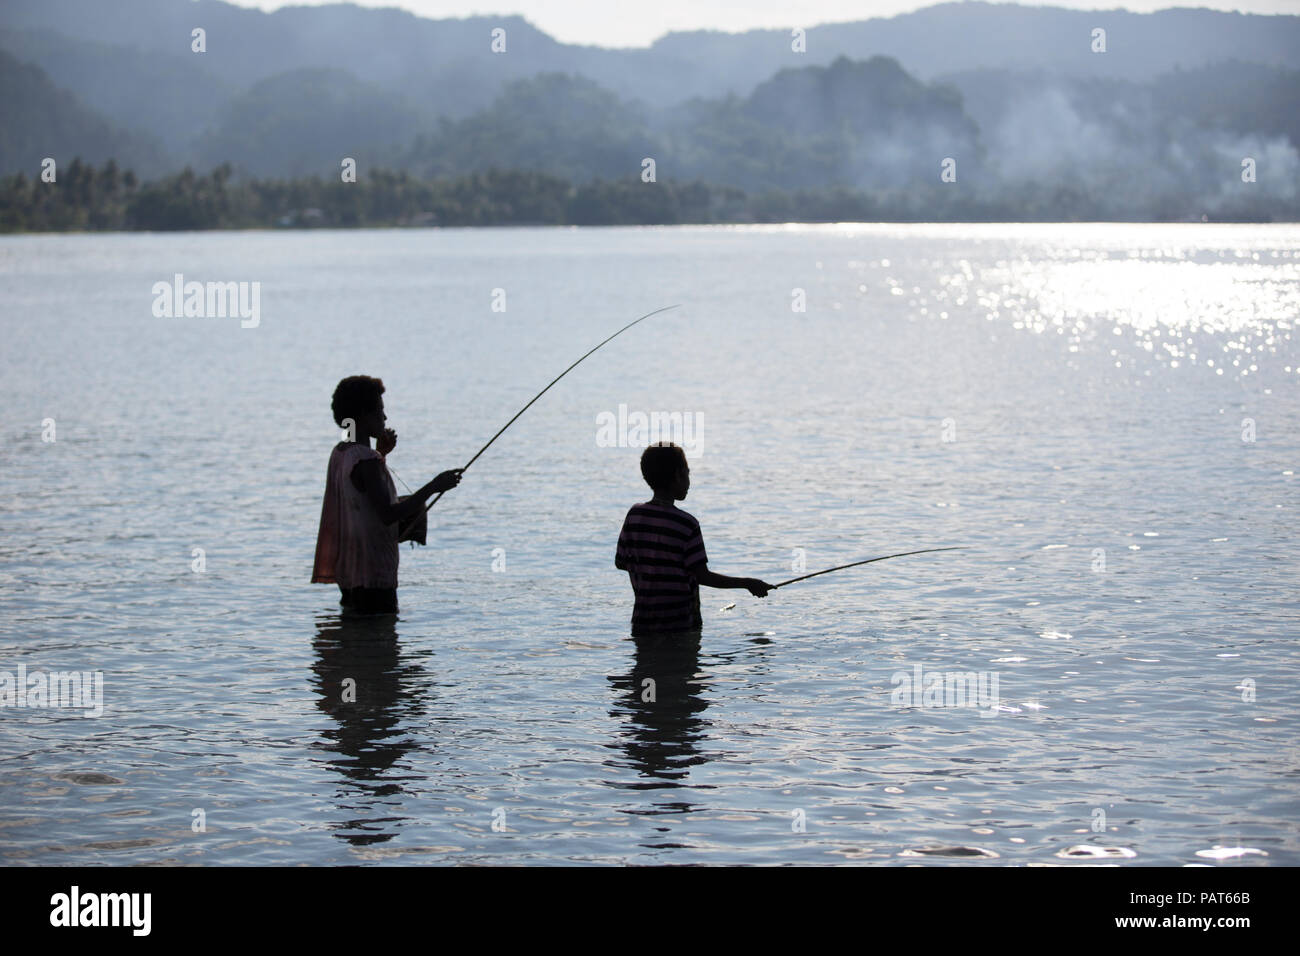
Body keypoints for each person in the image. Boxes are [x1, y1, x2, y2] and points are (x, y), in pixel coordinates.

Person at [312, 375, 462, 614]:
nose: (384, 417)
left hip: (351, 576)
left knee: (358, 641)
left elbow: (361, 496)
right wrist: (434, 486)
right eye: (380, 410)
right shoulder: (366, 459)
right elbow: (388, 514)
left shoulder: (341, 453)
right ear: (362, 415)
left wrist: (381, 454)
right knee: (381, 643)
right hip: (375, 578)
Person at [615, 442, 771, 636]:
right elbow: (702, 576)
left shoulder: (635, 515)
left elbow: (621, 562)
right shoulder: (687, 524)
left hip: (642, 623)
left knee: (647, 665)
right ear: (678, 475)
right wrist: (748, 583)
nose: (689, 480)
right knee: (682, 666)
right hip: (680, 625)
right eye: (687, 473)